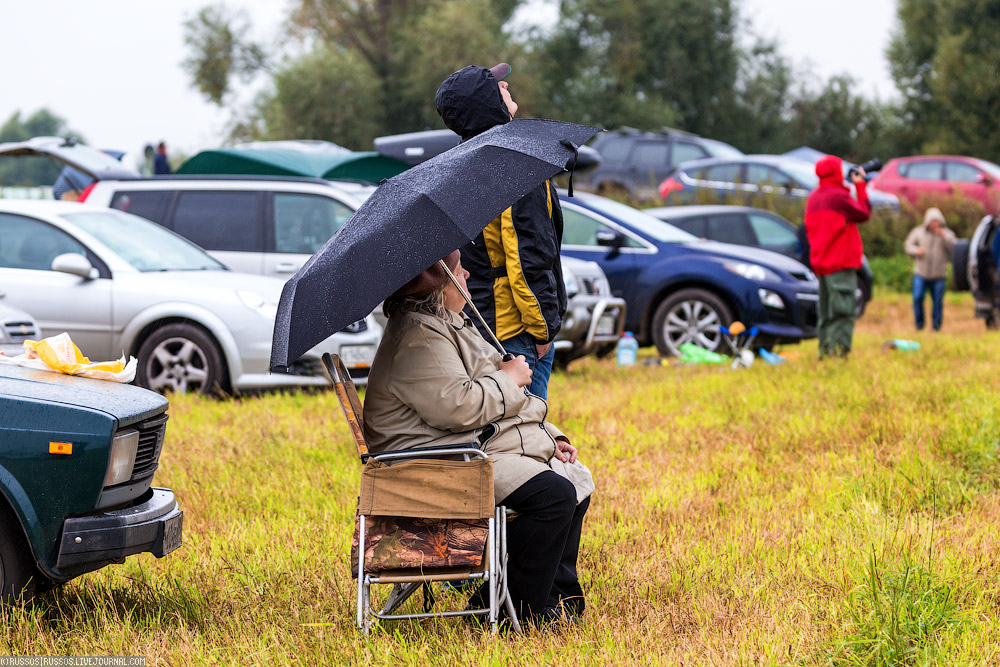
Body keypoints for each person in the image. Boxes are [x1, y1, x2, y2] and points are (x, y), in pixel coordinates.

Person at [363, 250, 594, 626]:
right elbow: (458, 406)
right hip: (434, 465)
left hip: (460, 449)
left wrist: (551, 438)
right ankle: (518, 611)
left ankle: (555, 600)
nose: (467, 274)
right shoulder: (418, 336)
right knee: (552, 497)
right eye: (458, 270)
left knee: (572, 480)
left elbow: (484, 401)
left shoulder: (443, 325)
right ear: (440, 286)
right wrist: (510, 377)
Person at [434, 63, 566, 399]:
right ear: (485, 104)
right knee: (525, 437)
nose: (506, 85)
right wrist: (543, 332)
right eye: (496, 86)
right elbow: (527, 257)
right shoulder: (513, 166)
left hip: (477, 323)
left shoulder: (458, 164)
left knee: (498, 433)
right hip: (515, 328)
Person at [804, 155, 872, 359]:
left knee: (826, 313)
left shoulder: (815, 197)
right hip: (840, 263)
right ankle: (837, 355)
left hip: (822, 263)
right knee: (842, 311)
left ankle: (825, 353)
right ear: (836, 172)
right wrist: (860, 186)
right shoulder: (838, 197)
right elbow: (863, 212)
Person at [904, 207, 957, 331]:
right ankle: (919, 325)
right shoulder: (918, 232)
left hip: (939, 275)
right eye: (933, 221)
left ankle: (936, 327)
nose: (935, 224)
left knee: (938, 302)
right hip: (921, 273)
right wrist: (917, 251)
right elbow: (908, 246)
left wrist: (944, 237)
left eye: (937, 221)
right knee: (917, 298)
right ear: (927, 222)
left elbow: (955, 247)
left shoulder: (947, 233)